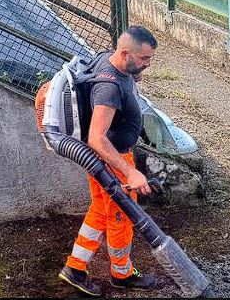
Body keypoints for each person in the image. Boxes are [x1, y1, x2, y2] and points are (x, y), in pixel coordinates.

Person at [58, 26, 159, 296]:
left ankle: (76, 267)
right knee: (121, 216)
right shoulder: (108, 87)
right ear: (125, 53)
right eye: (144, 59)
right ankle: (121, 274)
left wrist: (133, 80)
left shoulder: (110, 60)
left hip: (108, 159)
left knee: (102, 212)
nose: (147, 65)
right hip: (112, 159)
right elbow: (97, 138)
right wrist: (129, 172)